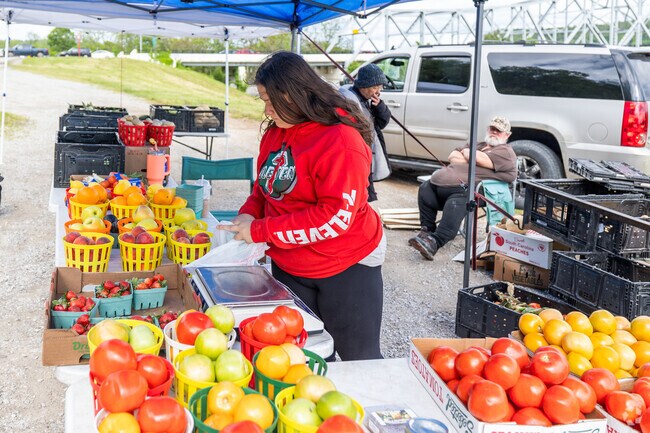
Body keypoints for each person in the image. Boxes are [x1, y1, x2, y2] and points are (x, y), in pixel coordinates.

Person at [218, 51, 386, 361]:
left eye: (271, 101)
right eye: (263, 101)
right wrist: (249, 212)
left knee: (358, 360)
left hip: (346, 266)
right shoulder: (275, 133)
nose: (267, 110)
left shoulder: (341, 140)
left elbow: (335, 218)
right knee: (301, 357)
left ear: (294, 94)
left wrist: (260, 230)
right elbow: (265, 188)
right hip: (290, 265)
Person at [409, 116, 517, 260]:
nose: (494, 132)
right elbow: (452, 155)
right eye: (492, 128)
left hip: (472, 191)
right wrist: (472, 157)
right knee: (425, 188)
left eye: (499, 130)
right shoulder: (479, 145)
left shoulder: (505, 151)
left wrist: (467, 154)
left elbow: (478, 158)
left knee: (460, 198)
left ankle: (435, 242)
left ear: (507, 135)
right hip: (445, 186)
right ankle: (427, 231)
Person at [339, 64, 392, 202]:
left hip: (365, 154)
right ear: (363, 86)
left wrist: (379, 106)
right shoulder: (350, 101)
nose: (378, 91)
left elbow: (382, 123)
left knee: (365, 194)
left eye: (380, 87)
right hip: (357, 156)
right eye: (375, 87)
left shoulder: (368, 101)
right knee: (360, 194)